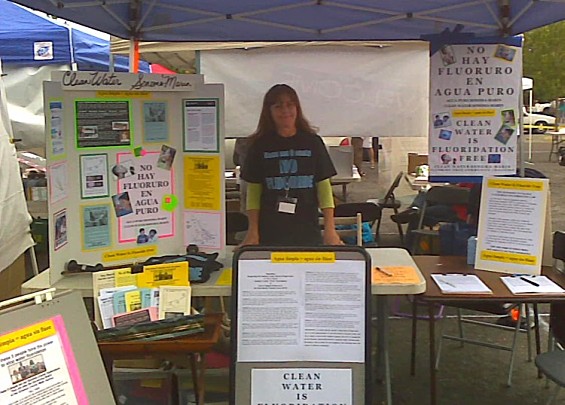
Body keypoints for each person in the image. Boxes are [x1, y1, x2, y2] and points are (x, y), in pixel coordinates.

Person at [239, 84, 343, 246]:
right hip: (270, 232)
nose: (285, 111)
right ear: (269, 111)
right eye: (278, 106)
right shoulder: (259, 145)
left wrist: (330, 230)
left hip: (307, 229)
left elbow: (324, 189)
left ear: (297, 108)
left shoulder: (312, 142)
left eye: (289, 104)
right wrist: (252, 232)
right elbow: (253, 194)